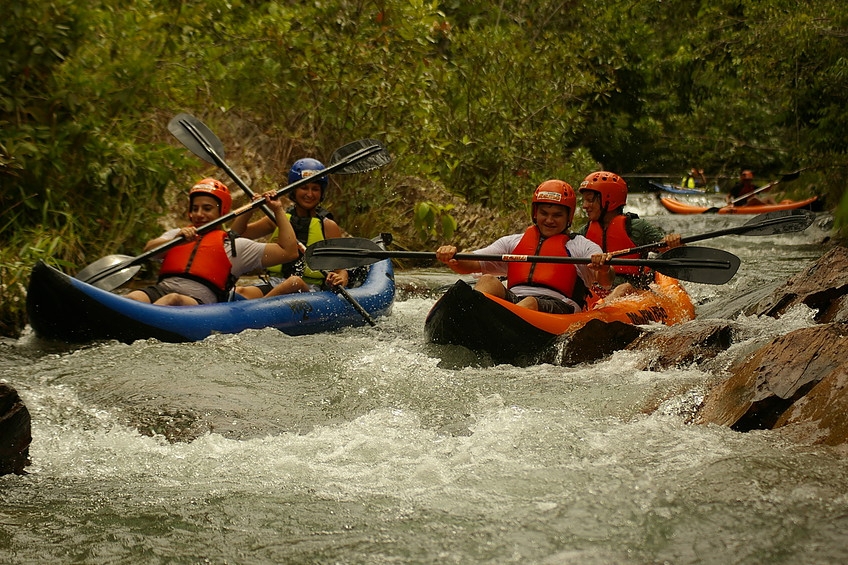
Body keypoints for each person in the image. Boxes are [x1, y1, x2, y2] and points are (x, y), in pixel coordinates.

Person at [435, 180, 615, 314]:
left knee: (531, 302)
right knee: (488, 280)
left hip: (560, 306)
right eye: (544, 213)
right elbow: (471, 264)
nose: (549, 220)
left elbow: (606, 280)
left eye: (557, 215)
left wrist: (604, 266)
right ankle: (470, 318)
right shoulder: (513, 242)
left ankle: (494, 326)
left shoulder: (582, 246)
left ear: (568, 218)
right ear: (535, 214)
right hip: (517, 301)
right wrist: (452, 257)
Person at [125, 178, 299, 306]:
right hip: (161, 289)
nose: (199, 214)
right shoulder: (179, 235)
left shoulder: (235, 246)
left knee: (173, 300)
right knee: (133, 298)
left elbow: (289, 251)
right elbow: (149, 250)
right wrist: (178, 240)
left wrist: (277, 209)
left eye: (207, 208)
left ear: (222, 212)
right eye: (195, 209)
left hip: (199, 302)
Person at [230, 158, 349, 299]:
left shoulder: (328, 226)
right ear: (293, 190)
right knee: (238, 292)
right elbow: (236, 234)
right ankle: (257, 311)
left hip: (311, 291)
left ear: (321, 193)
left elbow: (342, 270)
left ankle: (256, 313)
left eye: (315, 189)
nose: (310, 194)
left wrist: (340, 278)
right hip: (274, 284)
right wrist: (250, 209)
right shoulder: (278, 219)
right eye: (304, 187)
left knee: (294, 282)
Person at [578, 171, 682, 301]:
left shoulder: (637, 227)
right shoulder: (585, 231)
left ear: (609, 199)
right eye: (584, 200)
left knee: (623, 288)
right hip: (598, 290)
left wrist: (673, 242)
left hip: (635, 290)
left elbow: (672, 251)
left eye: (590, 200)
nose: (584, 206)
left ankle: (603, 309)